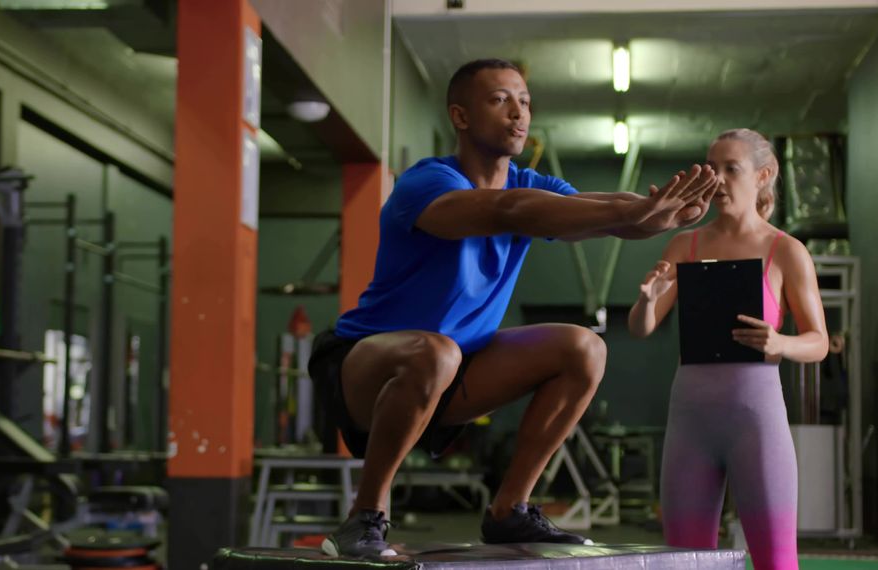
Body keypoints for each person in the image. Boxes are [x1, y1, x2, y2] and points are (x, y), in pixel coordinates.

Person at [308, 58, 719, 558]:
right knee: (434, 352)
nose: (518, 113)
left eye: (524, 101)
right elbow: (507, 210)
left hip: (458, 365)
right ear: (460, 116)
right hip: (364, 366)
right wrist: (633, 213)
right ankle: (363, 518)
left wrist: (659, 215)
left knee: (584, 348)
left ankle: (510, 511)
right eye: (500, 100)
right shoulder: (427, 183)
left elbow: (599, 212)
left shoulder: (532, 185)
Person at [627, 128, 829, 570]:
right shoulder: (685, 244)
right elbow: (641, 328)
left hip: (756, 424)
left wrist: (780, 342)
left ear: (763, 175)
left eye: (731, 168)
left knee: (777, 562)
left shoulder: (786, 251)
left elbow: (819, 342)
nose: (716, 178)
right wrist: (646, 299)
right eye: (711, 168)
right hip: (691, 424)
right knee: (685, 562)